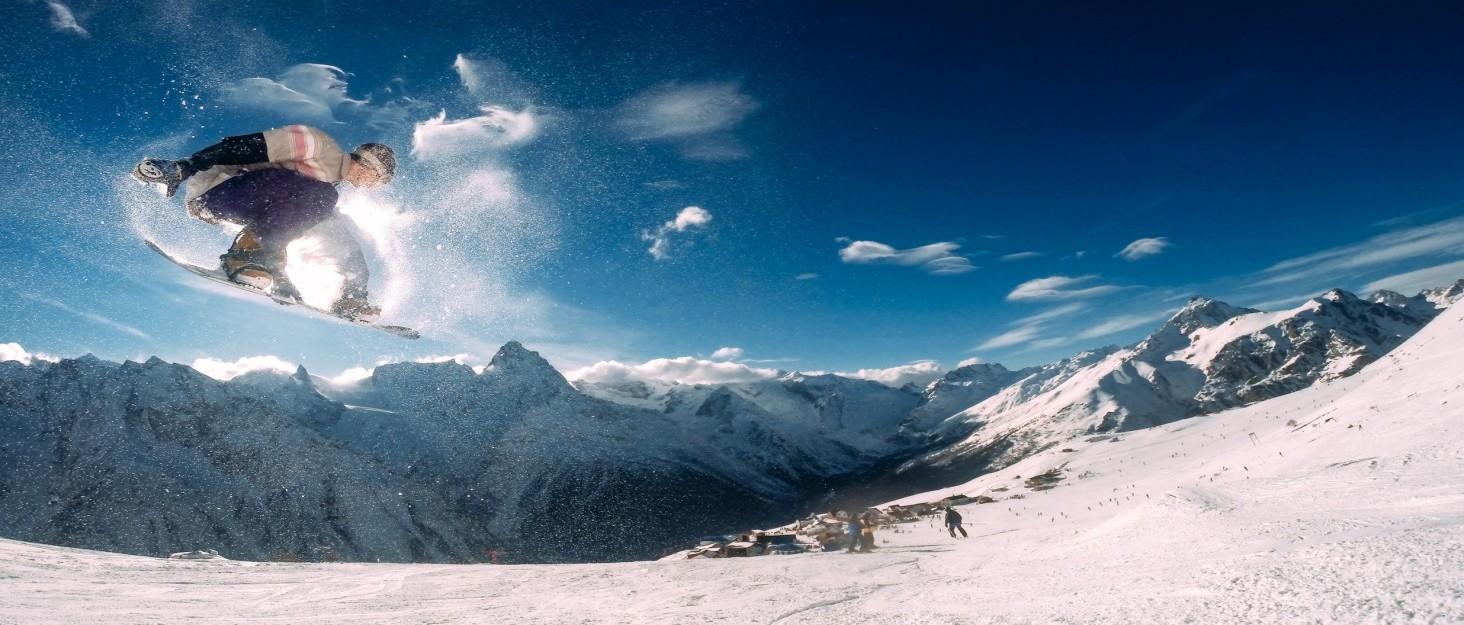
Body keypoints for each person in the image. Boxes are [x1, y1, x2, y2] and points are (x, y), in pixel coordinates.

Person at [132, 125, 396, 321]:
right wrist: (186, 166)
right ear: (369, 167)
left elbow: (288, 223)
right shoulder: (319, 145)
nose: (372, 187)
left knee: (338, 230)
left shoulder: (327, 183)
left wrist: (279, 273)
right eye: (378, 180)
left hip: (255, 203)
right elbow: (245, 145)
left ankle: (350, 298)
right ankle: (244, 256)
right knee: (324, 197)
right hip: (217, 192)